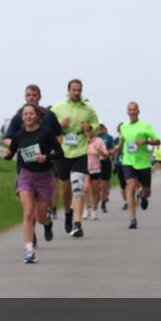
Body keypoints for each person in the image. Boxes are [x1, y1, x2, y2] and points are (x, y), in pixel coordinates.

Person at [4, 104, 65, 264]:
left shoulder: (46, 133)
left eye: (31, 114)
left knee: (39, 217)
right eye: (25, 114)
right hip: (26, 176)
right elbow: (9, 155)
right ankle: (29, 251)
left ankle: (47, 221)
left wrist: (47, 157)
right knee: (28, 212)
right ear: (22, 117)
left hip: (44, 177)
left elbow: (60, 153)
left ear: (37, 116)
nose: (28, 116)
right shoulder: (18, 135)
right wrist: (7, 154)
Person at [50, 80, 100, 238]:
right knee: (65, 188)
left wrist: (90, 128)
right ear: (68, 91)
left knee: (77, 186)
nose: (77, 92)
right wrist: (60, 126)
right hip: (62, 151)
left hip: (80, 150)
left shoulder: (88, 110)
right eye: (74, 90)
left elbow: (96, 124)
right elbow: (47, 127)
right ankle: (68, 214)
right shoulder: (57, 107)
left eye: (79, 90)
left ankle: (78, 224)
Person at [114, 102, 161, 229]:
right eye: (130, 109)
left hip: (143, 162)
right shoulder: (124, 127)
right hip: (128, 161)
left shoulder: (145, 126)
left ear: (138, 111)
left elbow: (158, 141)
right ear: (127, 112)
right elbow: (121, 140)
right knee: (130, 186)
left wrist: (145, 141)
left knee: (148, 191)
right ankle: (132, 219)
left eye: (134, 109)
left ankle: (143, 195)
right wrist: (116, 148)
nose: (132, 112)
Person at [86, 131, 109, 220]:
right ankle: (86, 209)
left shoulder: (99, 141)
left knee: (95, 191)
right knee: (85, 188)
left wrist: (100, 151)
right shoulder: (82, 140)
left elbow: (106, 155)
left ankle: (94, 210)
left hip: (95, 168)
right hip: (84, 168)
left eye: (91, 129)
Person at [95, 124, 118, 212]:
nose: (99, 129)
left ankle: (103, 204)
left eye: (101, 127)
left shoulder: (108, 137)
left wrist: (108, 153)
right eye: (98, 127)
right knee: (96, 185)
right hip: (95, 163)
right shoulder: (93, 137)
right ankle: (96, 200)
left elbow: (113, 149)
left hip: (105, 162)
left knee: (104, 185)